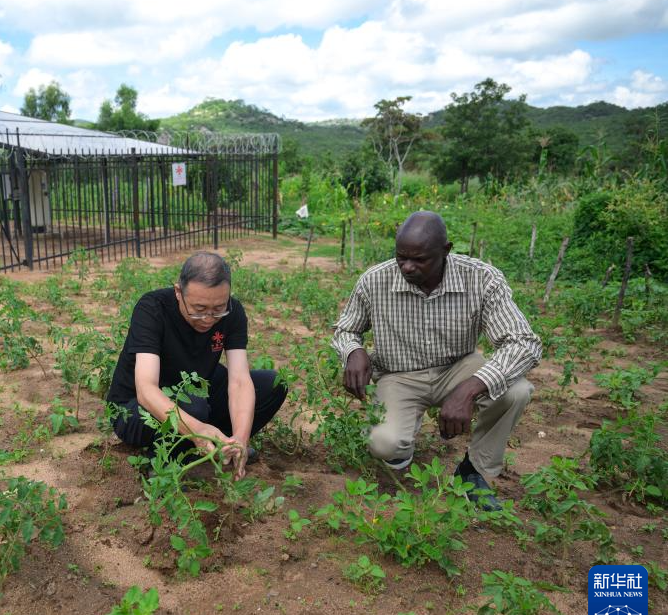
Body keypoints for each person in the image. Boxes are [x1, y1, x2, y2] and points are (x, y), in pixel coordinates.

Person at [332, 211, 542, 510]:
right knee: (385, 444)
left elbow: (524, 342)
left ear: (446, 250)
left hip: (458, 368)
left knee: (517, 391)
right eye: (401, 257)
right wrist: (353, 350)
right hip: (398, 375)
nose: (407, 267)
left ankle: (474, 470)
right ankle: (401, 449)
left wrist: (469, 388)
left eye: (420, 260)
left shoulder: (481, 278)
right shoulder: (375, 280)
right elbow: (346, 329)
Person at [107, 252, 287, 480]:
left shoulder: (233, 313)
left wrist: (241, 437)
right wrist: (197, 429)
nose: (209, 318)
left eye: (218, 308)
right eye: (199, 309)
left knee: (272, 384)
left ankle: (223, 445)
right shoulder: (153, 308)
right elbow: (146, 390)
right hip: (135, 411)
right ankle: (164, 461)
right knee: (193, 406)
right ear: (178, 292)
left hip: (196, 395)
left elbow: (240, 381)